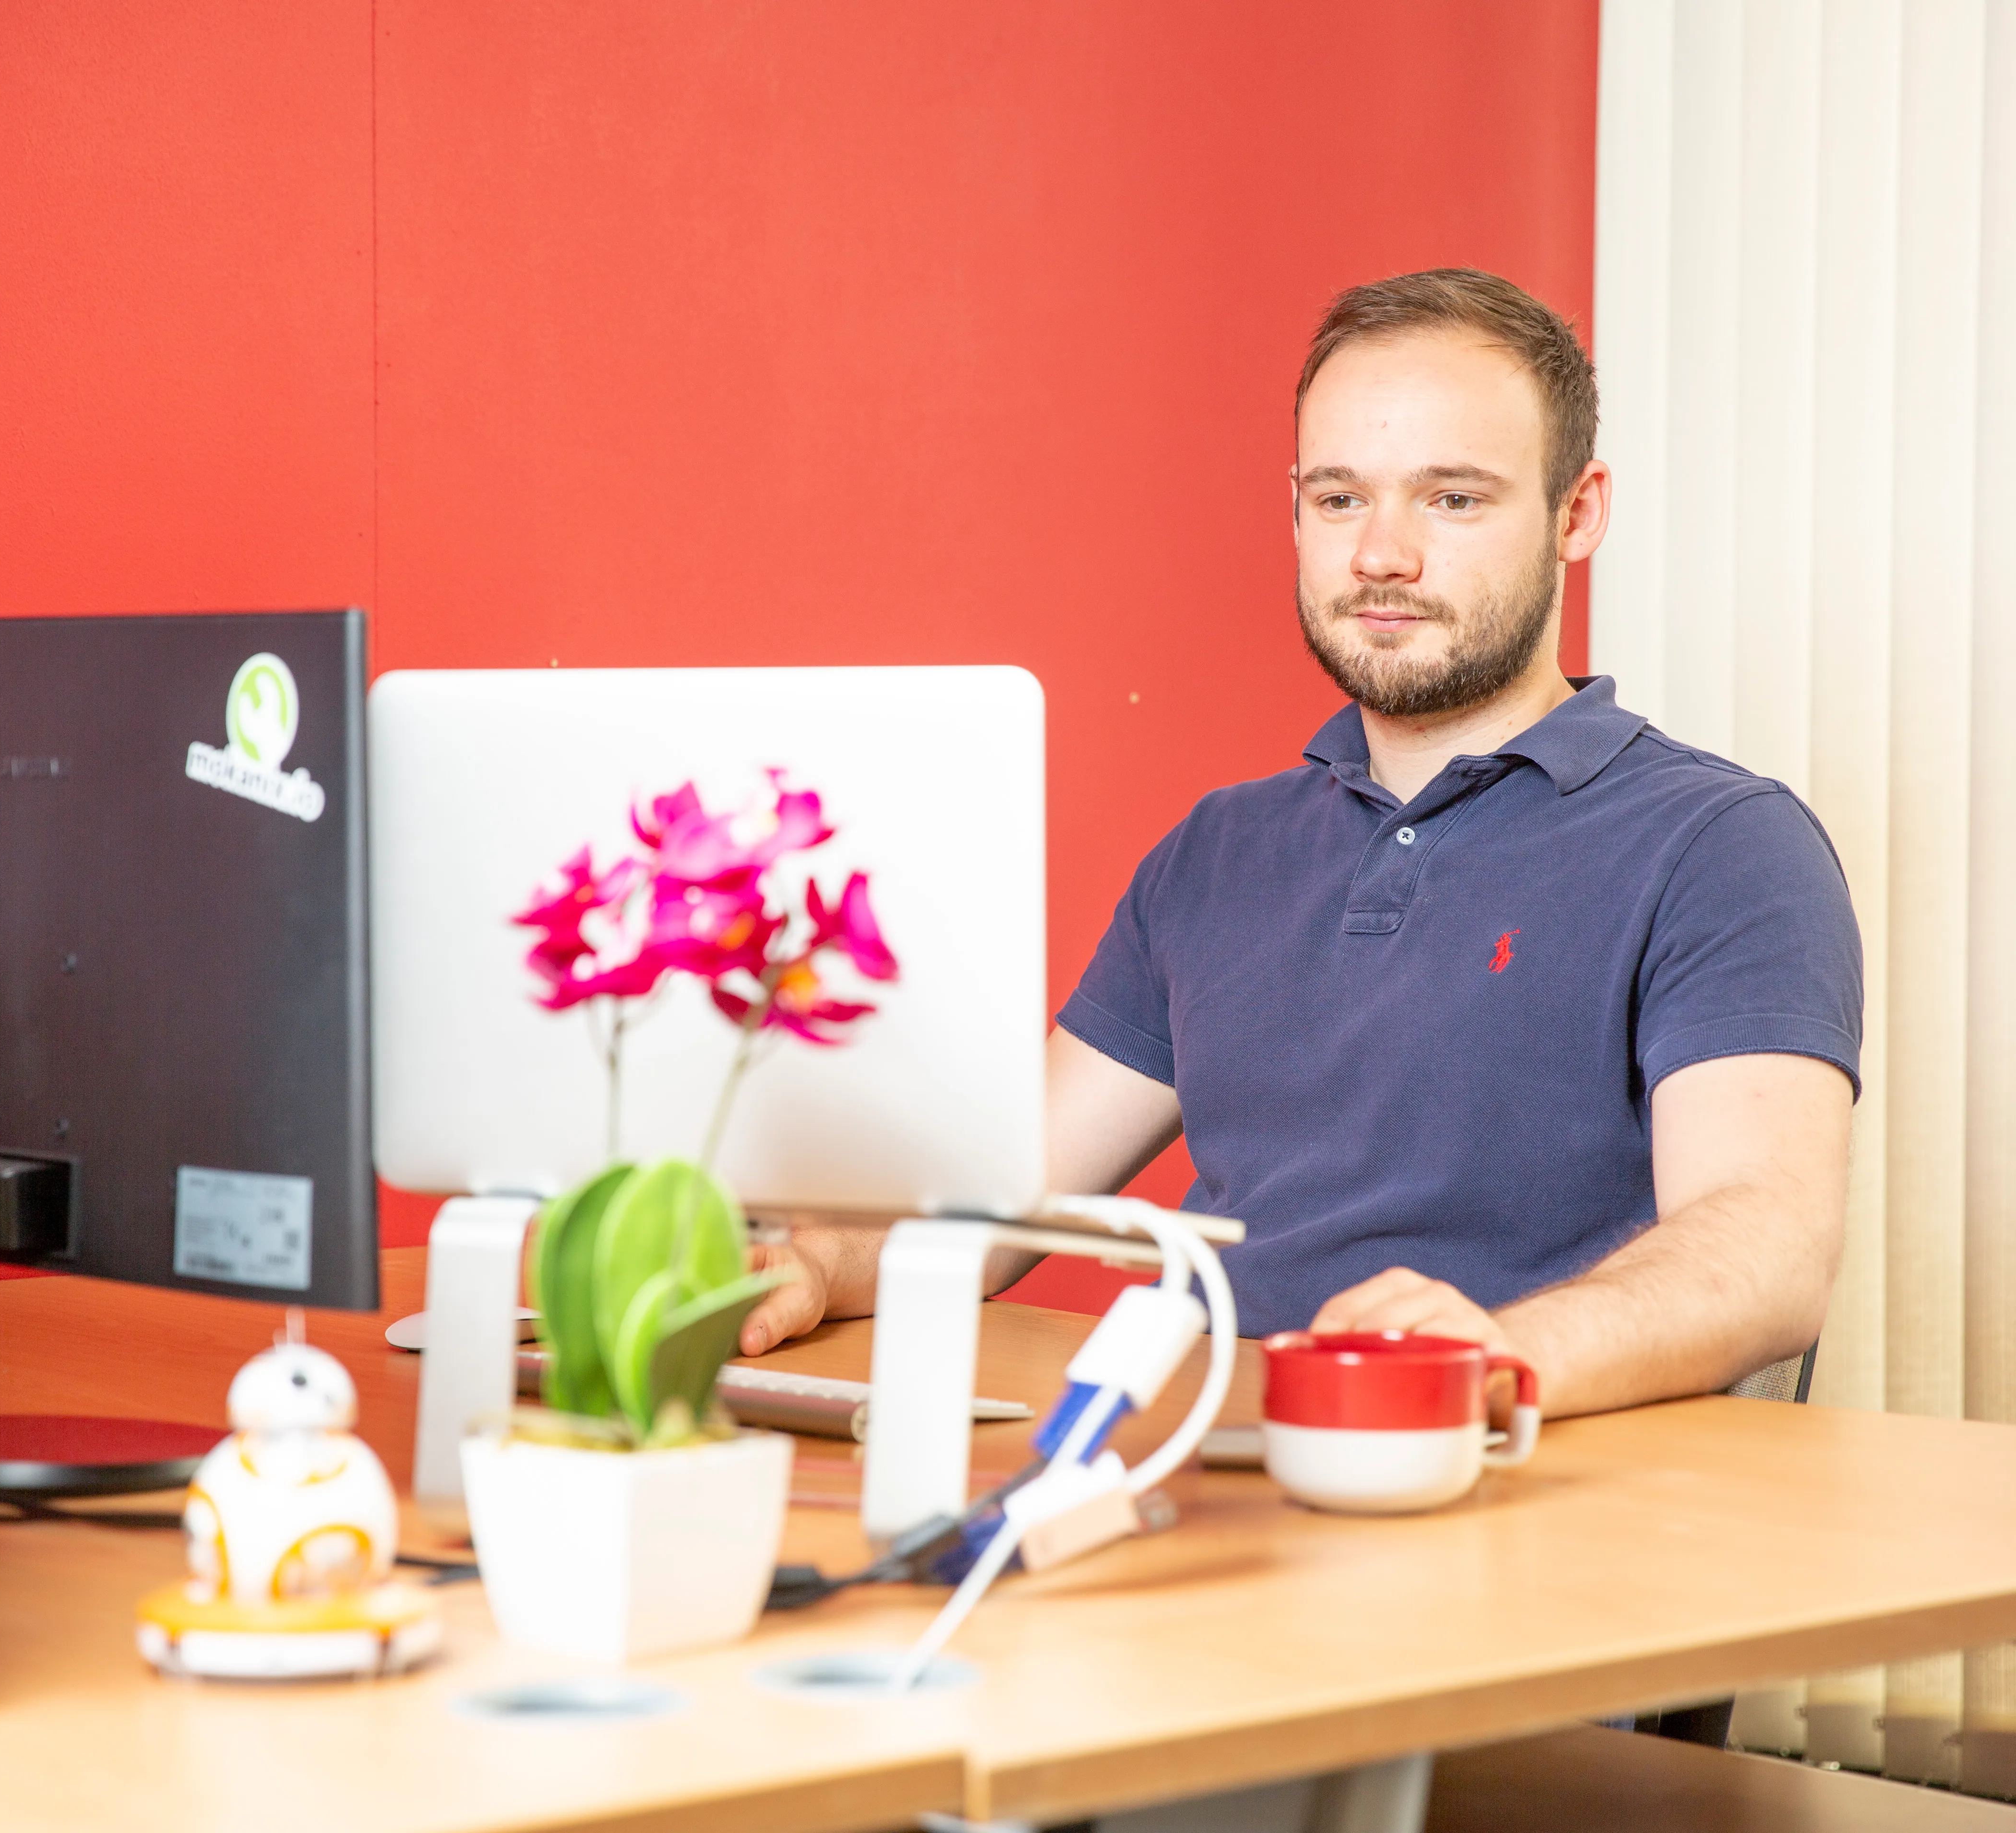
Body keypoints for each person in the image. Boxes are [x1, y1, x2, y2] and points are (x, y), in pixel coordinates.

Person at [739, 268, 1860, 1419]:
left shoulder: (1725, 848)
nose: (1382, 555)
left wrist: (1486, 1359)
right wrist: (822, 1264)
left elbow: (1763, 1251)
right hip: (1206, 1468)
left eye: (1453, 500)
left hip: (1514, 1488)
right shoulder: (1217, 853)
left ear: (1578, 513)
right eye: (1339, 500)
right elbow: (1001, 1196)